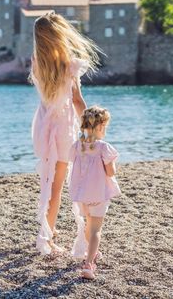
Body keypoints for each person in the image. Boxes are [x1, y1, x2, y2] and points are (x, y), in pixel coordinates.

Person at [29, 11, 102, 255]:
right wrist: (90, 124)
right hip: (62, 131)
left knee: (48, 182)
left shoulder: (37, 63)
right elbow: (78, 101)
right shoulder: (69, 65)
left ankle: (48, 231)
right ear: (59, 35)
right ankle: (46, 239)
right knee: (57, 188)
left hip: (42, 126)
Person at [68, 105, 121, 279]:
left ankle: (92, 252)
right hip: (99, 193)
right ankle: (89, 264)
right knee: (96, 230)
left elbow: (71, 162)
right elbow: (110, 172)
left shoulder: (78, 146)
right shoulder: (103, 147)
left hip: (82, 194)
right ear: (99, 127)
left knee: (89, 225)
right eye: (104, 127)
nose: (105, 131)